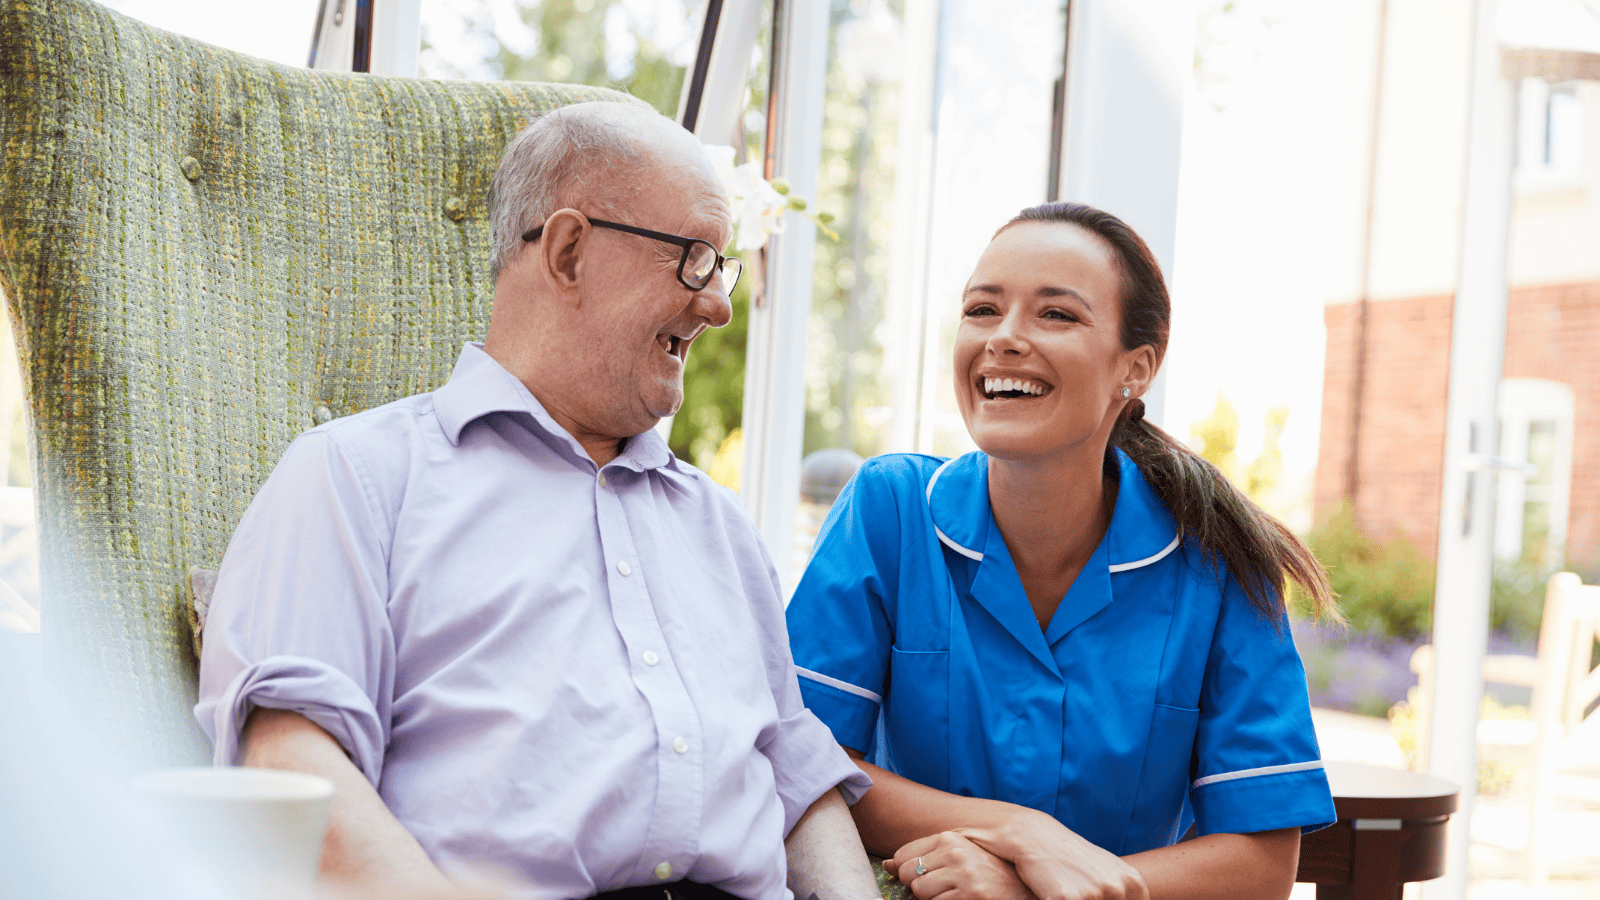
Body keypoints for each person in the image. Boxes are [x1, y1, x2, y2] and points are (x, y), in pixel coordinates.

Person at [195, 101, 879, 900]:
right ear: (568, 250)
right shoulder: (354, 476)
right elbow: (292, 777)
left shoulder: (718, 525)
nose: (718, 304)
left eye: (722, 267)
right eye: (694, 259)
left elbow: (797, 783)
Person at [785, 202, 1340, 900]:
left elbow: (1260, 864)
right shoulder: (889, 509)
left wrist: (1044, 889)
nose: (1005, 338)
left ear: (1134, 368)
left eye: (1057, 315)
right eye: (982, 309)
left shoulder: (1220, 564)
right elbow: (807, 764)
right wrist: (1022, 833)